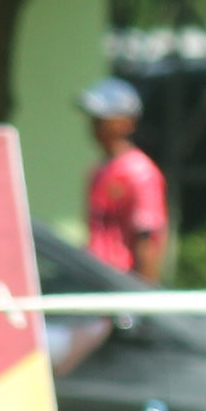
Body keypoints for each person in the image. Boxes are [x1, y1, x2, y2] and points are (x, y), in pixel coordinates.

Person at [78, 77, 168, 282]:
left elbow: (147, 240)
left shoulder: (139, 172)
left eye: (103, 117)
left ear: (127, 123)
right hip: (97, 281)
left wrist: (141, 300)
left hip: (122, 284)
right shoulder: (98, 171)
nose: (95, 124)